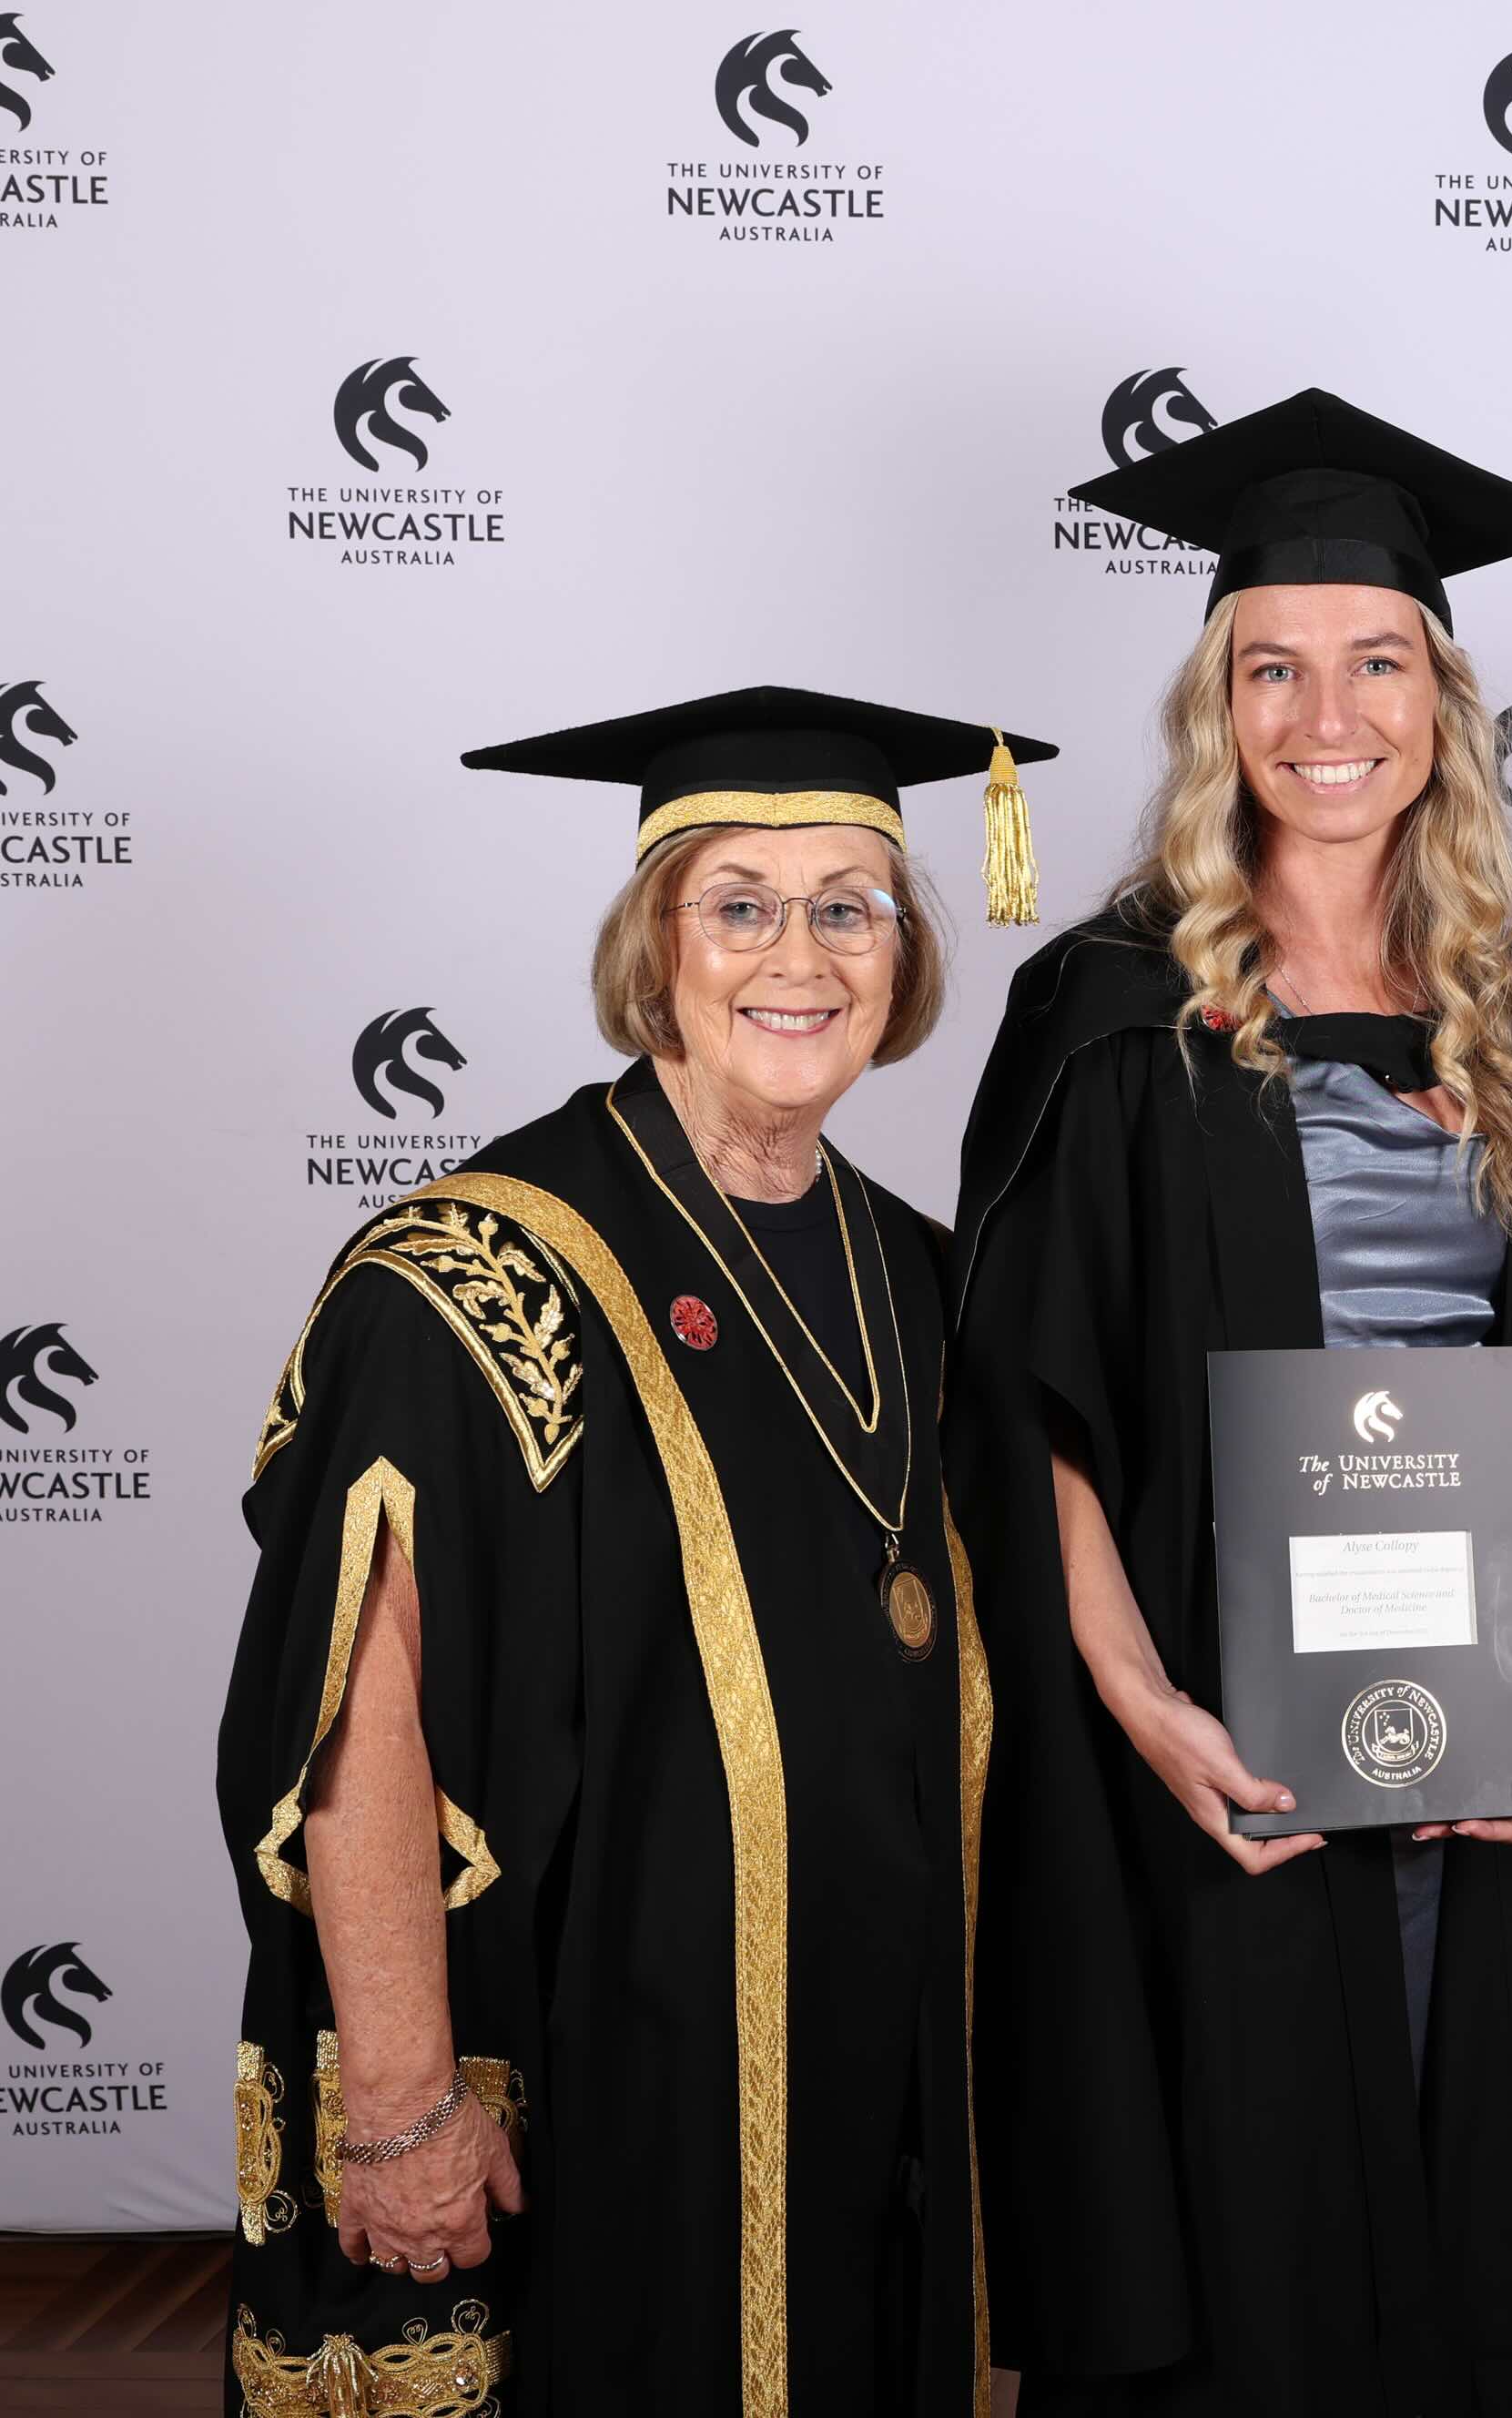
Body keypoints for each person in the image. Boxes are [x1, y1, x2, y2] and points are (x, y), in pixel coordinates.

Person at [217, 688, 1056, 2414]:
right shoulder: (467, 1282)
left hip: (884, 2078)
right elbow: (358, 1712)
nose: (798, 954)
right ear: (651, 946)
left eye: (850, 905)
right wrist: (398, 2101)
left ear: (900, 958)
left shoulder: (920, 1271)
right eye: (739, 902)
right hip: (604, 2084)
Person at [947, 390, 1512, 2416]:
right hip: (1219, 1732)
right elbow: (1024, 1403)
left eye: (1379, 661)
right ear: (1216, 703)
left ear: (1445, 694)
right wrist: (1147, 1708)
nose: (1331, 714)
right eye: (1276, 668)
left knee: (1460, 2203)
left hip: (1477, 1726)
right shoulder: (1122, 1009)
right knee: (1239, 2226)